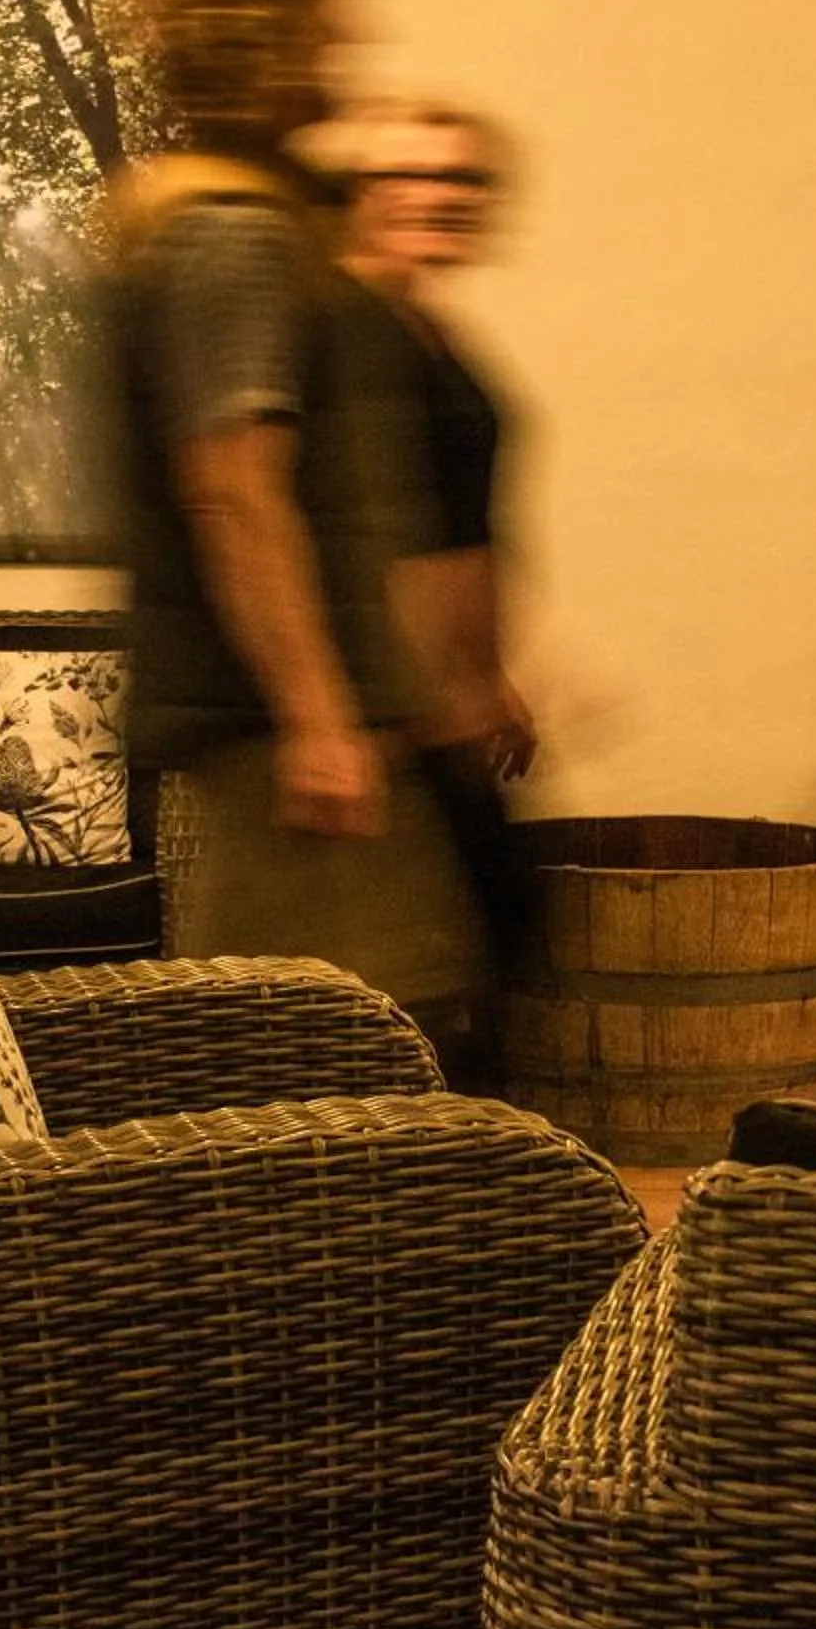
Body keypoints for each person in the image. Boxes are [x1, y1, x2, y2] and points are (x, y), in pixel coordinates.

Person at [106, 0, 484, 1024]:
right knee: (303, 1091)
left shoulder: (250, 218)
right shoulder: (230, 235)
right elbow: (235, 490)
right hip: (281, 764)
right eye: (328, 9)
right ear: (273, 29)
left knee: (343, 1077)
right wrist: (319, 722)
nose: (349, 35)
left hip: (309, 744)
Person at [333, 101, 540, 1062]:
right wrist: (420, 700)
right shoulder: (346, 330)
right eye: (412, 175)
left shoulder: (427, 335)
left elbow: (461, 530)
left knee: (489, 964)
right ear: (364, 195)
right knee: (422, 1004)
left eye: (464, 179)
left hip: (450, 715)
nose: (441, 197)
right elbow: (365, 534)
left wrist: (491, 677)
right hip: (392, 725)